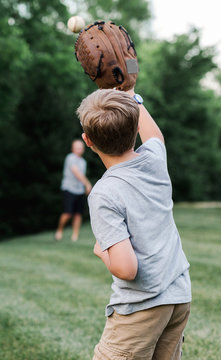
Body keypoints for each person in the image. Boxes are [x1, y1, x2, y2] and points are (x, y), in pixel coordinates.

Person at [78, 88, 191, 360]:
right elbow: (155, 136)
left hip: (141, 306)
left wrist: (102, 251)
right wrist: (132, 95)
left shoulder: (104, 193)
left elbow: (127, 268)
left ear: (88, 141)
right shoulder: (154, 159)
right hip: (178, 296)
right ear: (135, 126)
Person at [54, 139, 92, 242]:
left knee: (78, 214)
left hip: (79, 190)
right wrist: (87, 184)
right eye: (77, 147)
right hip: (69, 189)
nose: (79, 149)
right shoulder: (70, 158)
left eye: (81, 147)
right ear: (73, 149)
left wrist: (84, 186)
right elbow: (76, 172)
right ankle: (59, 231)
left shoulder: (83, 162)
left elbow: (81, 175)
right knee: (67, 213)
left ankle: (75, 235)